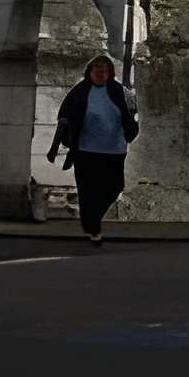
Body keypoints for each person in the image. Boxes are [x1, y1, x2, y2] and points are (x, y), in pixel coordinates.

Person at [47, 52, 139, 244]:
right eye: (96, 70)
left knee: (115, 187)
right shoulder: (80, 91)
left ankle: (92, 219)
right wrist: (60, 140)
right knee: (87, 191)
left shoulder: (118, 90)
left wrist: (131, 129)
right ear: (89, 72)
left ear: (110, 73)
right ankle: (92, 227)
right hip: (85, 150)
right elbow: (64, 115)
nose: (100, 73)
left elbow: (129, 113)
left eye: (104, 70)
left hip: (114, 150)